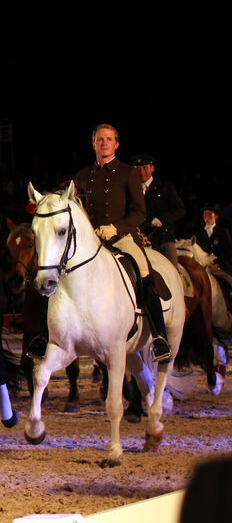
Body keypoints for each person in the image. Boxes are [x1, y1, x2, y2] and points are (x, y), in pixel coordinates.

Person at [74, 124, 171, 362]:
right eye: (100, 139)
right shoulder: (83, 175)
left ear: (116, 144)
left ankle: (159, 336)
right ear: (93, 144)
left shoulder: (128, 172)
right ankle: (47, 333)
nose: (104, 143)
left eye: (109, 139)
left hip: (122, 237)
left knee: (144, 272)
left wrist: (115, 228)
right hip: (92, 239)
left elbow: (139, 212)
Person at [131, 153, 185, 265]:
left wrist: (162, 219)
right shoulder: (130, 189)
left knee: (173, 270)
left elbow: (180, 210)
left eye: (145, 168)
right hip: (137, 239)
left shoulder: (165, 187)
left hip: (162, 239)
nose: (141, 172)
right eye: (138, 168)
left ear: (152, 168)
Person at [196, 203, 232, 278]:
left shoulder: (223, 232)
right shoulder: (199, 234)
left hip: (220, 266)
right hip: (203, 266)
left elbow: (228, 250)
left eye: (210, 214)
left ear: (216, 216)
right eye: (205, 214)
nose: (207, 217)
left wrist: (217, 261)